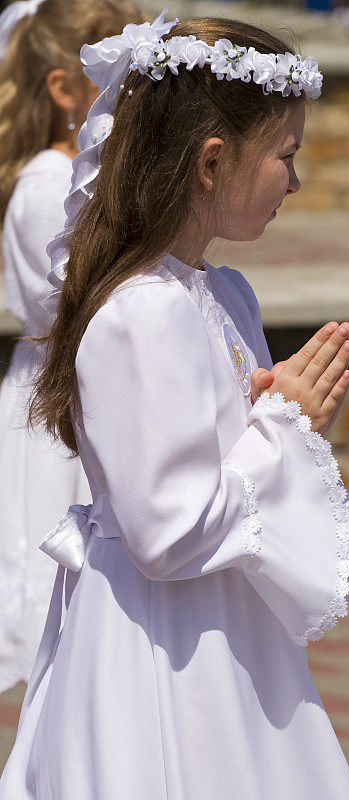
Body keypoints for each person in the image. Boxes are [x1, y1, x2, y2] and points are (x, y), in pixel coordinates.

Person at [0, 11, 349, 799]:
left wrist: (282, 413)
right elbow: (165, 529)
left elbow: (226, 451)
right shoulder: (141, 311)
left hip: (221, 617)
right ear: (209, 163)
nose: (295, 182)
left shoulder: (222, 291)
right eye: (285, 155)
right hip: (162, 637)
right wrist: (286, 424)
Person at [0, 0, 144, 693]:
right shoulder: (47, 187)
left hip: (100, 393)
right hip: (61, 404)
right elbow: (83, 300)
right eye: (123, 82)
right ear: (65, 90)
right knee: (55, 592)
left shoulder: (97, 179)